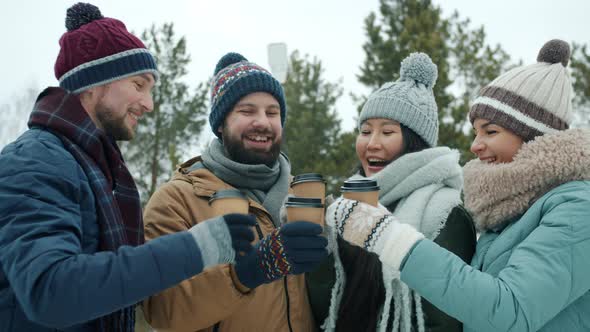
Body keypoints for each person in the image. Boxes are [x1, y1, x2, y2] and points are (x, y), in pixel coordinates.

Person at [0, 3, 303, 332]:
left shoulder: (95, 169)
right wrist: (199, 247)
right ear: (94, 82)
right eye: (139, 85)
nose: (149, 103)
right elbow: (50, 291)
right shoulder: (35, 160)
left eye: (272, 113)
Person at [328, 39, 590, 332]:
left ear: (534, 135)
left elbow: (510, 310)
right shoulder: (507, 213)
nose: (476, 146)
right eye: (476, 132)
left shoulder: (578, 209)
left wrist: (390, 238)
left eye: (490, 131)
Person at [141, 52, 328, 332]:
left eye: (272, 112)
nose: (263, 122)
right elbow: (163, 310)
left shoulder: (303, 197)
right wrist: (245, 274)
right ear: (220, 125)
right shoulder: (177, 200)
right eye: (247, 111)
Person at [306, 52, 476, 332]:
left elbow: (444, 320)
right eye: (365, 131)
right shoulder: (346, 208)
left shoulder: (444, 212)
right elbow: (329, 308)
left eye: (387, 132)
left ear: (414, 142)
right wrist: (318, 244)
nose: (372, 143)